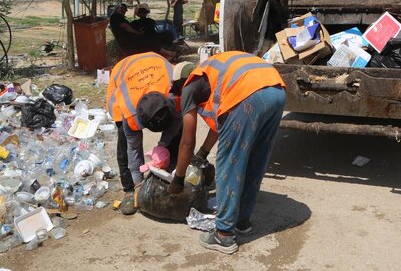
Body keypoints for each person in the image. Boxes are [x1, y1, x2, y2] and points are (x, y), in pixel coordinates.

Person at [168, 51, 286, 255]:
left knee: (228, 162)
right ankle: (242, 222)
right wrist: (202, 154)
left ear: (180, 83)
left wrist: (178, 179)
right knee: (255, 158)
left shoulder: (188, 88)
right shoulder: (213, 74)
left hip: (248, 93)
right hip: (276, 88)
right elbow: (219, 123)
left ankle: (223, 234)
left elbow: (187, 142)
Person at [106, 55, 218, 215]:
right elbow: (134, 148)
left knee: (179, 133)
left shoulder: (175, 95)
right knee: (124, 140)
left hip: (156, 64)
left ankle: (173, 172)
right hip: (124, 72)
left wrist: (162, 146)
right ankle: (130, 189)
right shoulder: (130, 112)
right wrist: (139, 184)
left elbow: (176, 125)